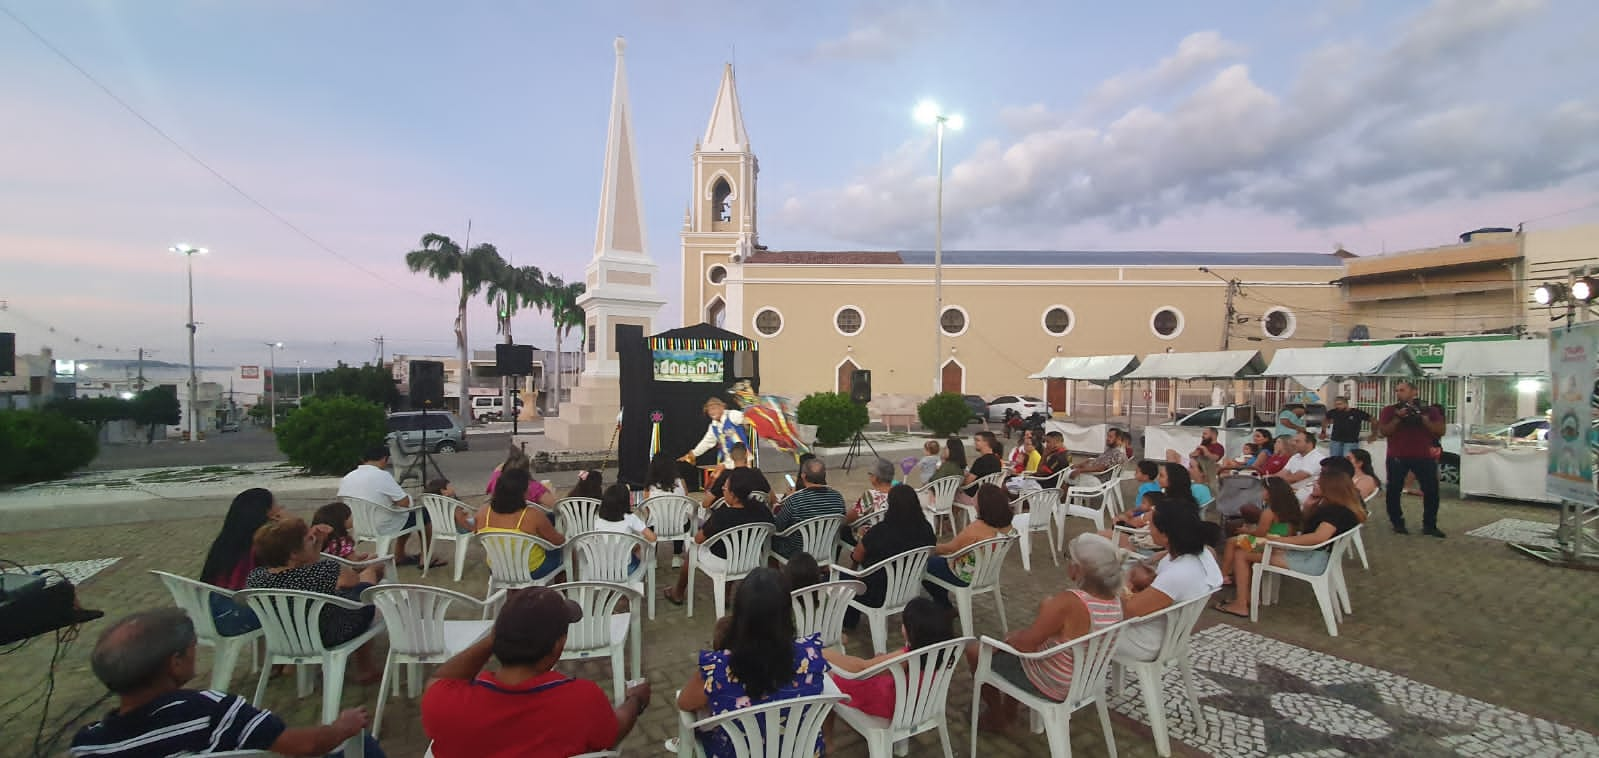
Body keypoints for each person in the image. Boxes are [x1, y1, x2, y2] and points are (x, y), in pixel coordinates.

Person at [70, 608, 376, 758]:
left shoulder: (85, 745)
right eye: (192, 647)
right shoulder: (210, 712)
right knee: (364, 746)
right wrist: (343, 726)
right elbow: (306, 745)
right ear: (175, 662)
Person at [421, 587, 649, 757]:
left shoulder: (446, 704)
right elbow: (613, 731)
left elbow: (441, 679)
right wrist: (636, 701)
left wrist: (496, 637)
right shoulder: (581, 700)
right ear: (558, 646)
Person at [966, 533, 1124, 732]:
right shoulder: (1116, 601)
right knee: (1023, 647)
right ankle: (1009, 709)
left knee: (976, 650)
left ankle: (996, 716)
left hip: (1055, 683)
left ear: (1078, 569)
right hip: (1086, 679)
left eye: (1069, 557)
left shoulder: (1070, 602)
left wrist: (1009, 638)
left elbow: (1026, 645)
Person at [676, 568, 830, 758]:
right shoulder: (811, 655)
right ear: (786, 613)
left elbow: (684, 702)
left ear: (739, 615)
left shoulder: (717, 667)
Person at [245, 518, 383, 682]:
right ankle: (365, 668)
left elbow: (307, 565)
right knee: (367, 580)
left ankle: (291, 667)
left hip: (285, 637)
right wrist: (371, 569)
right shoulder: (325, 570)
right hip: (327, 633)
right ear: (294, 553)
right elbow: (353, 581)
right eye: (309, 540)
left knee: (352, 593)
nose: (314, 541)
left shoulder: (256, 578)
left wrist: (316, 544)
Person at [1214, 471, 1365, 617]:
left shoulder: (1334, 512)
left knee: (1241, 553)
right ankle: (1245, 597)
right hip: (1314, 555)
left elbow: (1318, 537)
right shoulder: (1342, 509)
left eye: (1318, 484)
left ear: (1331, 488)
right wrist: (1308, 507)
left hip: (1310, 559)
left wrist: (1279, 541)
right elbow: (1308, 530)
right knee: (1245, 550)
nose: (1314, 485)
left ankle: (1241, 604)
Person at [1118, 496, 1223, 660]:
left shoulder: (1177, 574)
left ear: (1166, 535)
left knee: (1084, 618)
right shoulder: (1206, 553)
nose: (1148, 527)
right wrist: (1160, 556)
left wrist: (1126, 582)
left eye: (1151, 524)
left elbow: (1129, 612)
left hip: (1148, 642)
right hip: (1173, 633)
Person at [825, 596, 954, 720]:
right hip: (921, 704)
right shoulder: (945, 651)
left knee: (827, 677)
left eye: (904, 624)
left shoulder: (907, 657)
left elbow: (862, 667)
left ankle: (828, 740)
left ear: (912, 631)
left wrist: (822, 652)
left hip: (894, 706)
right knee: (878, 661)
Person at [664, 468, 776, 605]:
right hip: (751, 559)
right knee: (735, 550)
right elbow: (772, 528)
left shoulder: (722, 515)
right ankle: (726, 595)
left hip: (723, 562)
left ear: (733, 494)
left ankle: (678, 593)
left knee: (692, 551)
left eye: (725, 487)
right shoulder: (762, 510)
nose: (723, 489)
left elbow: (699, 539)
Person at [845, 484, 937, 630]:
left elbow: (857, 556)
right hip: (909, 586)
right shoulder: (926, 528)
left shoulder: (880, 531)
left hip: (876, 592)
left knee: (845, 580)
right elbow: (931, 550)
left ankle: (848, 623)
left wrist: (854, 573)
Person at [199, 488, 284, 636]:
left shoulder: (226, 540)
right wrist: (287, 522)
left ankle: (265, 658)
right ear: (266, 512)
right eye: (275, 505)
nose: (281, 507)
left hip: (209, 611)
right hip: (235, 614)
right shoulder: (262, 543)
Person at [337, 445, 436, 568]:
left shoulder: (348, 477)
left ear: (364, 459)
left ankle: (400, 555)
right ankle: (426, 558)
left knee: (405, 516)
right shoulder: (382, 476)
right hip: (383, 525)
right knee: (422, 514)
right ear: (384, 459)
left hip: (360, 524)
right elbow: (404, 503)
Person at [924, 484, 1016, 609]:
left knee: (924, 565)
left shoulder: (978, 528)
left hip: (963, 574)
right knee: (937, 563)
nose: (973, 499)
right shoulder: (1007, 527)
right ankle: (943, 604)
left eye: (976, 497)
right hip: (986, 572)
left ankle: (943, 605)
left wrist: (926, 548)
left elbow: (950, 549)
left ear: (982, 504)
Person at [1379, 380, 1447, 537]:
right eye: (1397, 390)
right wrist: (1398, 418)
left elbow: (1440, 430)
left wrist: (1424, 418)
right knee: (1394, 490)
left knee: (1431, 491)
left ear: (1414, 392)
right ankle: (1397, 523)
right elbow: (1384, 432)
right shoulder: (1390, 410)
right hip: (1397, 456)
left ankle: (1430, 525)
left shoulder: (1429, 410)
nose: (1398, 393)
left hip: (1423, 456)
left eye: (1402, 390)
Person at [475, 467, 567, 581]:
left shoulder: (482, 512)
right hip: (532, 570)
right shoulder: (533, 515)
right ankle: (563, 591)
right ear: (522, 492)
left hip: (496, 569)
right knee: (564, 551)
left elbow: (478, 535)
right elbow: (558, 541)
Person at [1221, 477, 1302, 586]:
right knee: (1239, 545)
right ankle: (1232, 572)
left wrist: (1246, 531)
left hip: (1267, 546)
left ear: (1271, 493)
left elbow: (1260, 534)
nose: (1261, 492)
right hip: (1284, 545)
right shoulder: (1290, 507)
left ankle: (1223, 574)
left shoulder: (1269, 512)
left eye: (1263, 490)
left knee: (1231, 542)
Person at [773, 457, 846, 559]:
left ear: (803, 476)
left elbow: (778, 527)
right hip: (826, 549)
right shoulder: (838, 498)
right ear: (824, 475)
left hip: (797, 553)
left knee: (769, 540)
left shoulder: (795, 500)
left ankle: (781, 574)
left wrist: (787, 499)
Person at [594, 483, 656, 573]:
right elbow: (652, 537)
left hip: (600, 570)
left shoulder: (597, 518)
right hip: (625, 570)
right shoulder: (630, 518)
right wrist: (637, 545)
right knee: (641, 547)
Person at [681, 396, 749, 469]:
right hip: (728, 462)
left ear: (722, 407)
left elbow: (749, 419)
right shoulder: (713, 426)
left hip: (742, 461)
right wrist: (692, 454)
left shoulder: (732, 415)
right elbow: (706, 443)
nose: (711, 412)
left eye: (713, 408)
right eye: (709, 410)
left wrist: (746, 425)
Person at [702, 442, 771, 508]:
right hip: (757, 516)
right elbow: (772, 499)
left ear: (731, 457)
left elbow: (705, 504)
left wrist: (714, 478)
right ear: (747, 455)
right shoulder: (757, 473)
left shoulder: (725, 476)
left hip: (730, 518)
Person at [844, 458, 895, 545]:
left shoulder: (871, 495)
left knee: (843, 530)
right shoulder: (900, 492)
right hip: (893, 534)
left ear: (875, 477)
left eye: (870, 474)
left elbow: (850, 518)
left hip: (874, 538)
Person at [486, 446, 556, 509]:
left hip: (500, 518)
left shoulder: (497, 480)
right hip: (527, 520)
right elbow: (555, 506)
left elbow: (499, 468)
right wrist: (550, 492)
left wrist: (513, 461)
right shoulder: (535, 488)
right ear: (527, 470)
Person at [1280, 431, 1327, 503]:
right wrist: (1267, 478)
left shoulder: (1317, 458)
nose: (1293, 444)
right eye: (1294, 441)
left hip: (1306, 496)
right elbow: (1282, 473)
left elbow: (1294, 478)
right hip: (1291, 491)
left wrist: (1272, 480)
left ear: (1309, 443)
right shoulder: (1295, 456)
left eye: (1297, 441)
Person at [961, 431, 1005, 501]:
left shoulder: (981, 461)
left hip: (976, 495)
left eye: (977, 440)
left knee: (953, 494)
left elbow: (967, 482)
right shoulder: (997, 460)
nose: (974, 443)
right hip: (991, 494)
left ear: (986, 442)